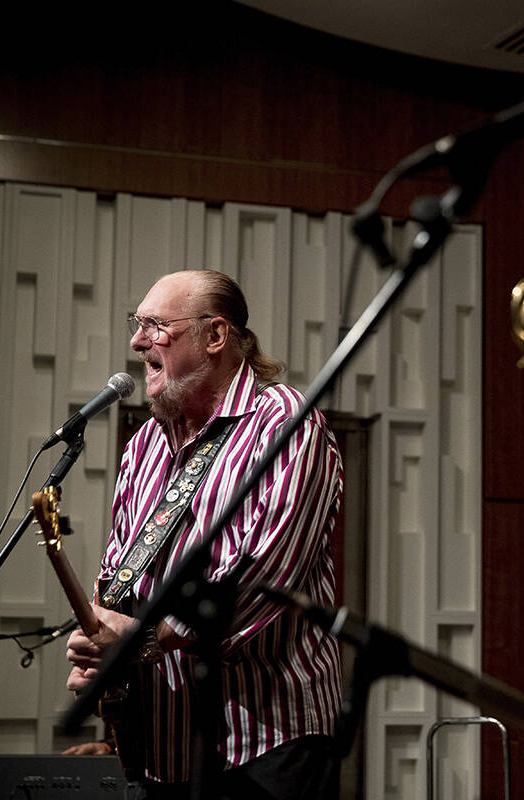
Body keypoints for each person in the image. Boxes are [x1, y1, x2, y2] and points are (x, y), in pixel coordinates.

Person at [65, 269, 344, 799]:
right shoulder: (145, 442)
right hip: (165, 745)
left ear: (215, 336)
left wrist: (140, 639)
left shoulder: (285, 422)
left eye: (155, 326)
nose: (136, 340)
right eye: (136, 324)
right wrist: (99, 640)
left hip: (267, 738)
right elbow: (120, 573)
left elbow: (265, 575)